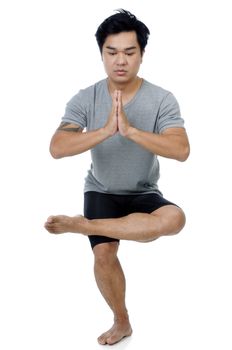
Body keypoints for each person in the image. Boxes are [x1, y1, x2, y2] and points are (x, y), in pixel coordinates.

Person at [44, 9, 190, 345]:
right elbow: (57, 147)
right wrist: (106, 130)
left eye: (129, 52)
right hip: (102, 190)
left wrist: (132, 131)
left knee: (176, 218)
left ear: (142, 55)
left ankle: (85, 226)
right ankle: (121, 322)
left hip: (143, 191)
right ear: (101, 54)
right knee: (104, 254)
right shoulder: (86, 97)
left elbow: (181, 150)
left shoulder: (161, 99)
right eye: (112, 52)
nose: (120, 61)